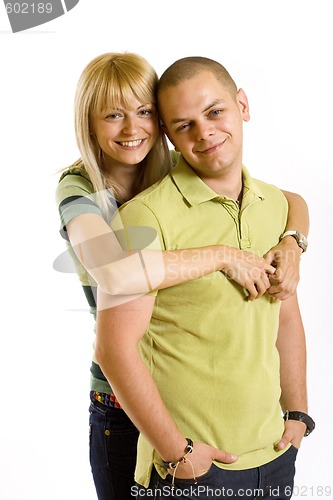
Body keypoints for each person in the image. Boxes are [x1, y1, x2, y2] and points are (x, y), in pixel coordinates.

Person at [56, 53, 309, 500]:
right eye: (113, 115)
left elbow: (288, 201)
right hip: (120, 406)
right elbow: (114, 272)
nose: (133, 129)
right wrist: (221, 256)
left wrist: (293, 240)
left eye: (144, 112)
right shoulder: (83, 192)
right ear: (89, 126)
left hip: (258, 446)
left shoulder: (187, 167)